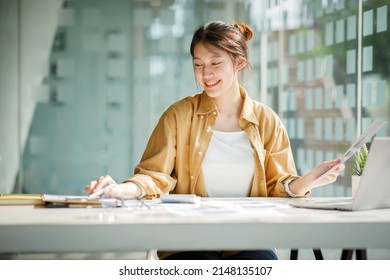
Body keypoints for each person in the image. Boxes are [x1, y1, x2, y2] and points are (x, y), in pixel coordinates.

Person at [84, 21, 344, 260]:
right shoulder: (178, 116)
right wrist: (122, 189)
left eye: (215, 63)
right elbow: (154, 174)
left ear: (239, 63)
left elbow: (279, 187)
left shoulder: (267, 121)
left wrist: (309, 180)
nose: (205, 74)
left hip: (250, 239)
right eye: (198, 64)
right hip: (189, 238)